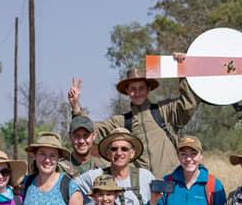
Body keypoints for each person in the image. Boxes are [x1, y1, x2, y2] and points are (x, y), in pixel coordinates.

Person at [68, 60, 197, 179]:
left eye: (141, 88)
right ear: (127, 91)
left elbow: (188, 104)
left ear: (148, 89)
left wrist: (183, 72)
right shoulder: (121, 121)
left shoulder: (164, 110)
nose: (137, 92)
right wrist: (76, 107)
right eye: (133, 89)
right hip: (142, 188)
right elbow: (90, 129)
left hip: (171, 183)